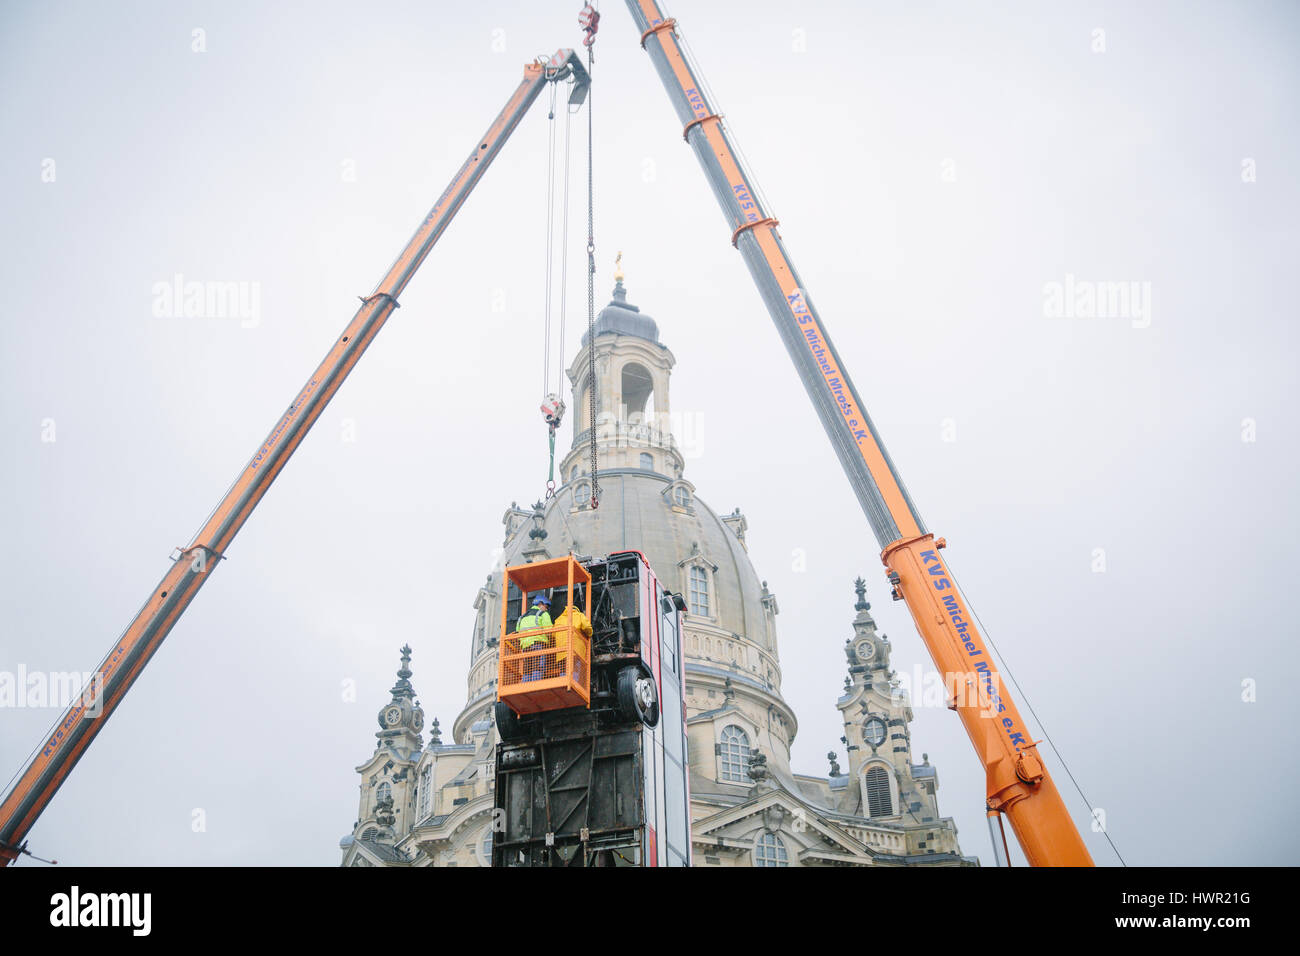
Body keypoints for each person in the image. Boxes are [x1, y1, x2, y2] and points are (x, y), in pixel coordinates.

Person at [552, 600, 593, 685]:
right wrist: (589, 634)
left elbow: (553, 634)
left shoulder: (558, 619)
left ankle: (563, 685)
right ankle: (573, 684)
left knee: (564, 670)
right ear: (576, 610)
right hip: (575, 651)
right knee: (575, 670)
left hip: (561, 653)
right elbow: (587, 627)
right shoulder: (579, 615)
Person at [515, 593, 553, 682]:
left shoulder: (521, 617)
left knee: (527, 668)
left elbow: (517, 632)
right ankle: (536, 683)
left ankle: (525, 685)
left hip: (525, 647)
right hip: (538, 644)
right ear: (540, 604)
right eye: (546, 606)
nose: (546, 609)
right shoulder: (543, 614)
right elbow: (549, 630)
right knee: (538, 666)